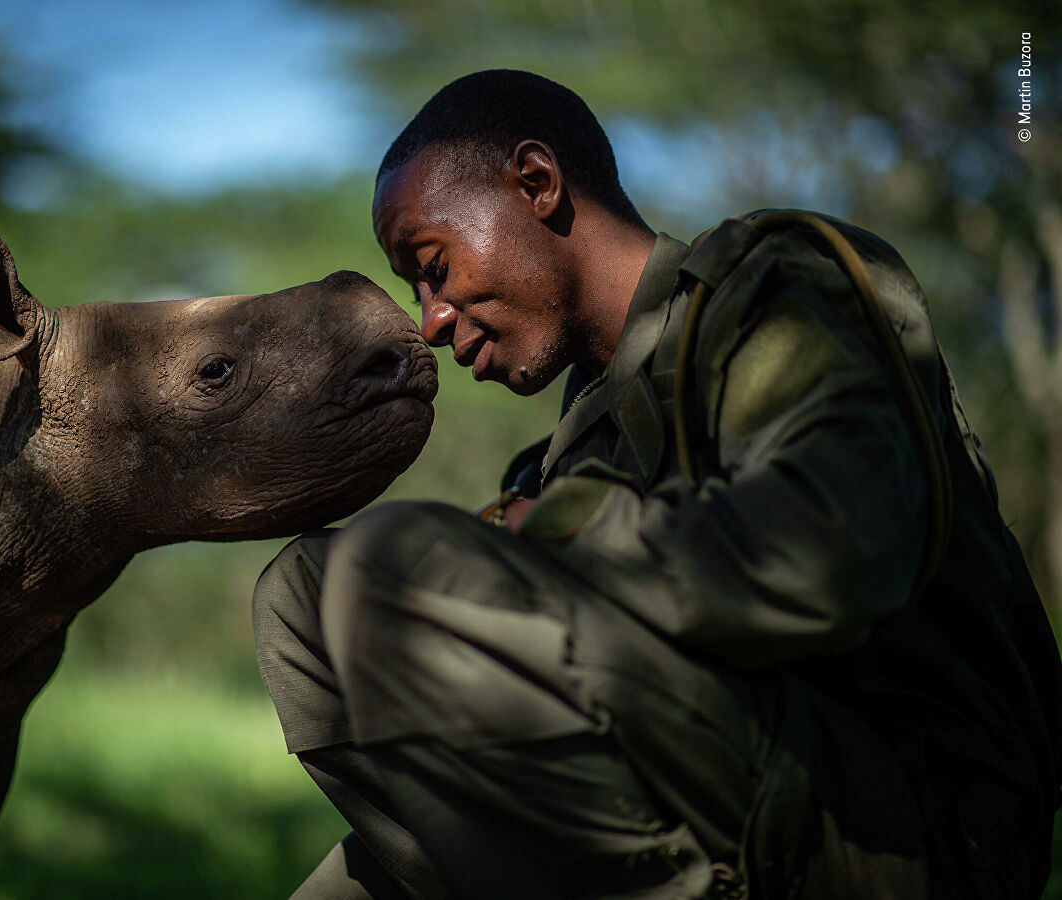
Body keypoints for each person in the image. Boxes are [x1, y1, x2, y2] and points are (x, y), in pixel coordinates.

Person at [252, 69, 1062, 899]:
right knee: (298, 595)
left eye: (434, 267)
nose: (429, 319)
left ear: (536, 183)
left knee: (381, 565)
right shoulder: (560, 455)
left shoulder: (773, 286)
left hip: (895, 828)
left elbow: (837, 552)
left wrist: (561, 536)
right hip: (700, 801)